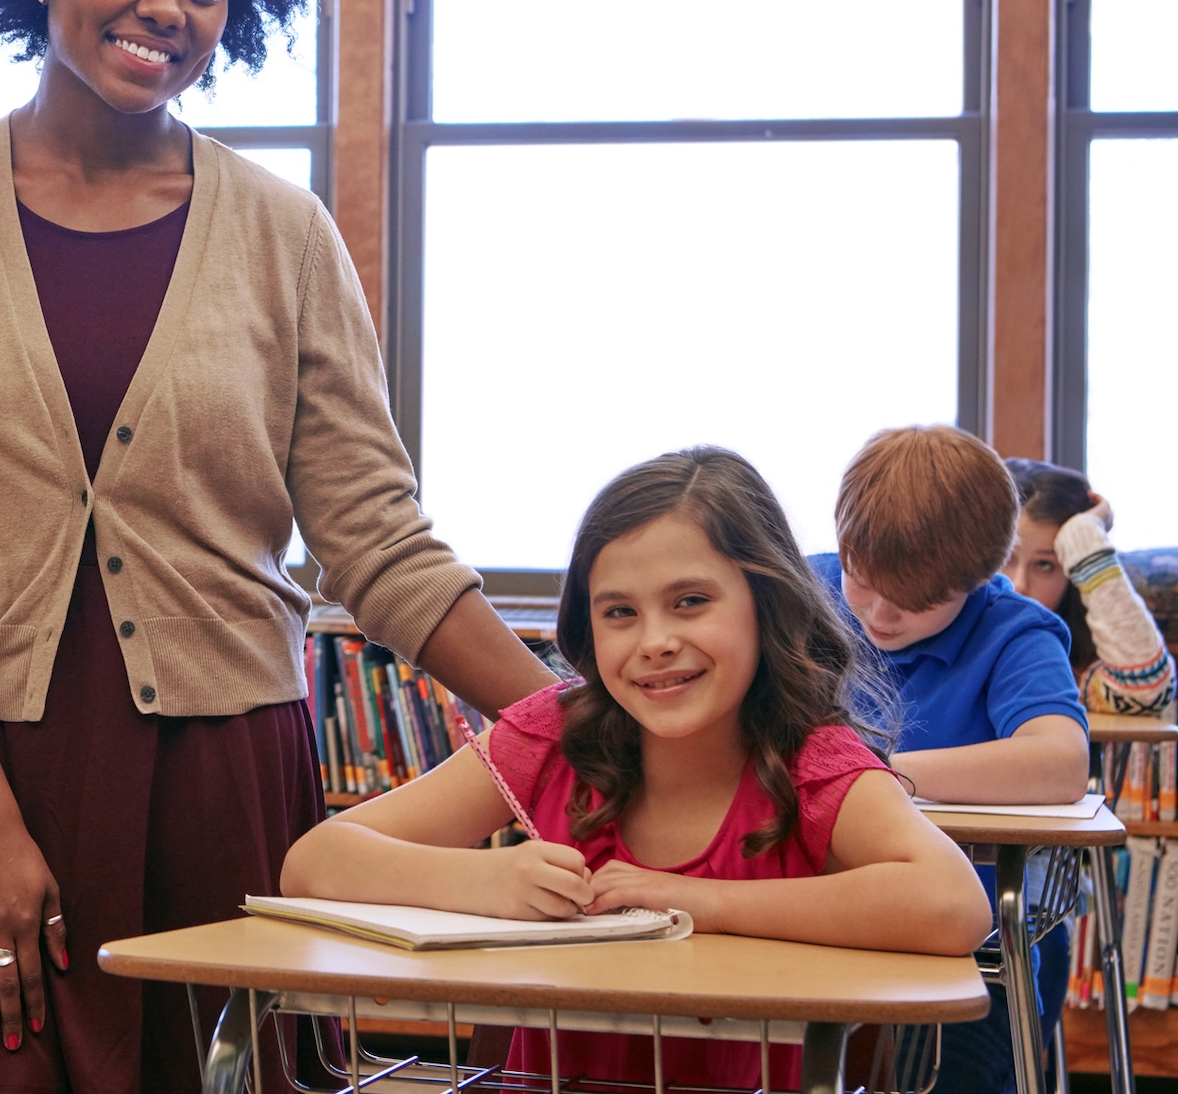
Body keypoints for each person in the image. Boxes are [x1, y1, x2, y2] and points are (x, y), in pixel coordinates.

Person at [0, 0, 560, 1089]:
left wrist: (572, 721)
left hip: (219, 768)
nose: (169, 5)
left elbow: (375, 539)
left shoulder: (282, 233)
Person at [281, 446, 990, 1086]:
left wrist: (697, 901)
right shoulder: (552, 734)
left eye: (690, 601)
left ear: (765, 601)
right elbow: (314, 862)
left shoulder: (812, 761)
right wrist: (483, 878)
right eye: (619, 611)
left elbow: (954, 904)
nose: (654, 641)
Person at [808, 425, 1089, 1094]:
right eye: (863, 579)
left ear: (975, 578)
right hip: (818, 899)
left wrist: (873, 777)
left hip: (975, 927)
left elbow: (1060, 760)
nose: (878, 613)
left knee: (959, 1059)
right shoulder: (806, 589)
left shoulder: (1014, 630)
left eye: (915, 601)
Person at [1003, 457, 1175, 717]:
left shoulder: (1071, 670)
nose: (1018, 585)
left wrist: (1082, 535)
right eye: (1005, 559)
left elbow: (1147, 690)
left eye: (1044, 565)